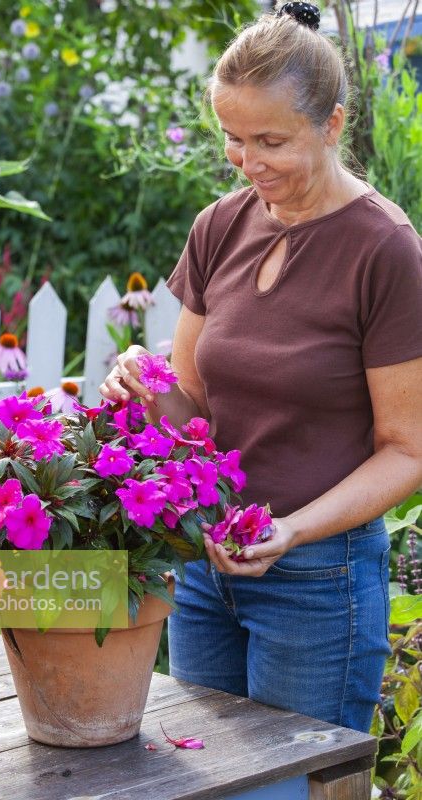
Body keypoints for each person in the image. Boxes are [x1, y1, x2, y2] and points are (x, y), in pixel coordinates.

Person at [99, 0, 422, 733]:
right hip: (206, 564)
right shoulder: (219, 225)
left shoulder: (384, 250)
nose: (248, 163)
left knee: (294, 786)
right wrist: (145, 387)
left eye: (270, 140)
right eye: (232, 139)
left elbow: (407, 451)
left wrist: (293, 531)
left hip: (318, 581)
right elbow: (194, 411)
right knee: (205, 778)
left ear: (333, 125)